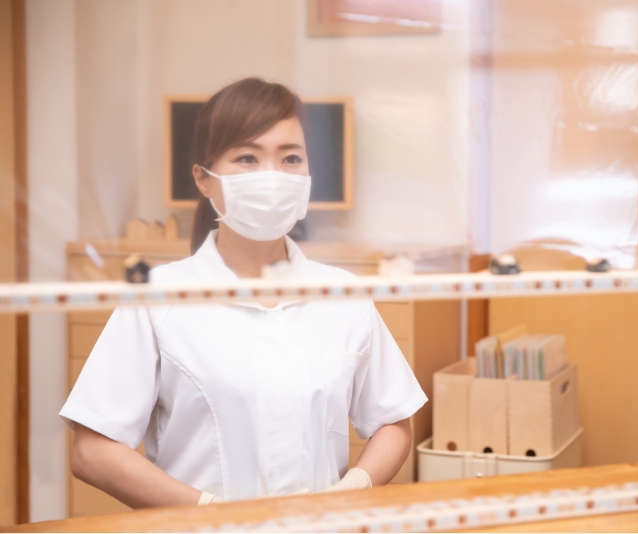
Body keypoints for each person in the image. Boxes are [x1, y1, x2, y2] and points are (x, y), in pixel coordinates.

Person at [59, 77, 427, 508]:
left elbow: (393, 421)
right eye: (247, 158)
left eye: (291, 158)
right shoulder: (159, 298)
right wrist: (208, 514)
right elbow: (92, 451)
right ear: (203, 179)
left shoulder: (343, 295)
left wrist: (355, 488)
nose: (272, 176)